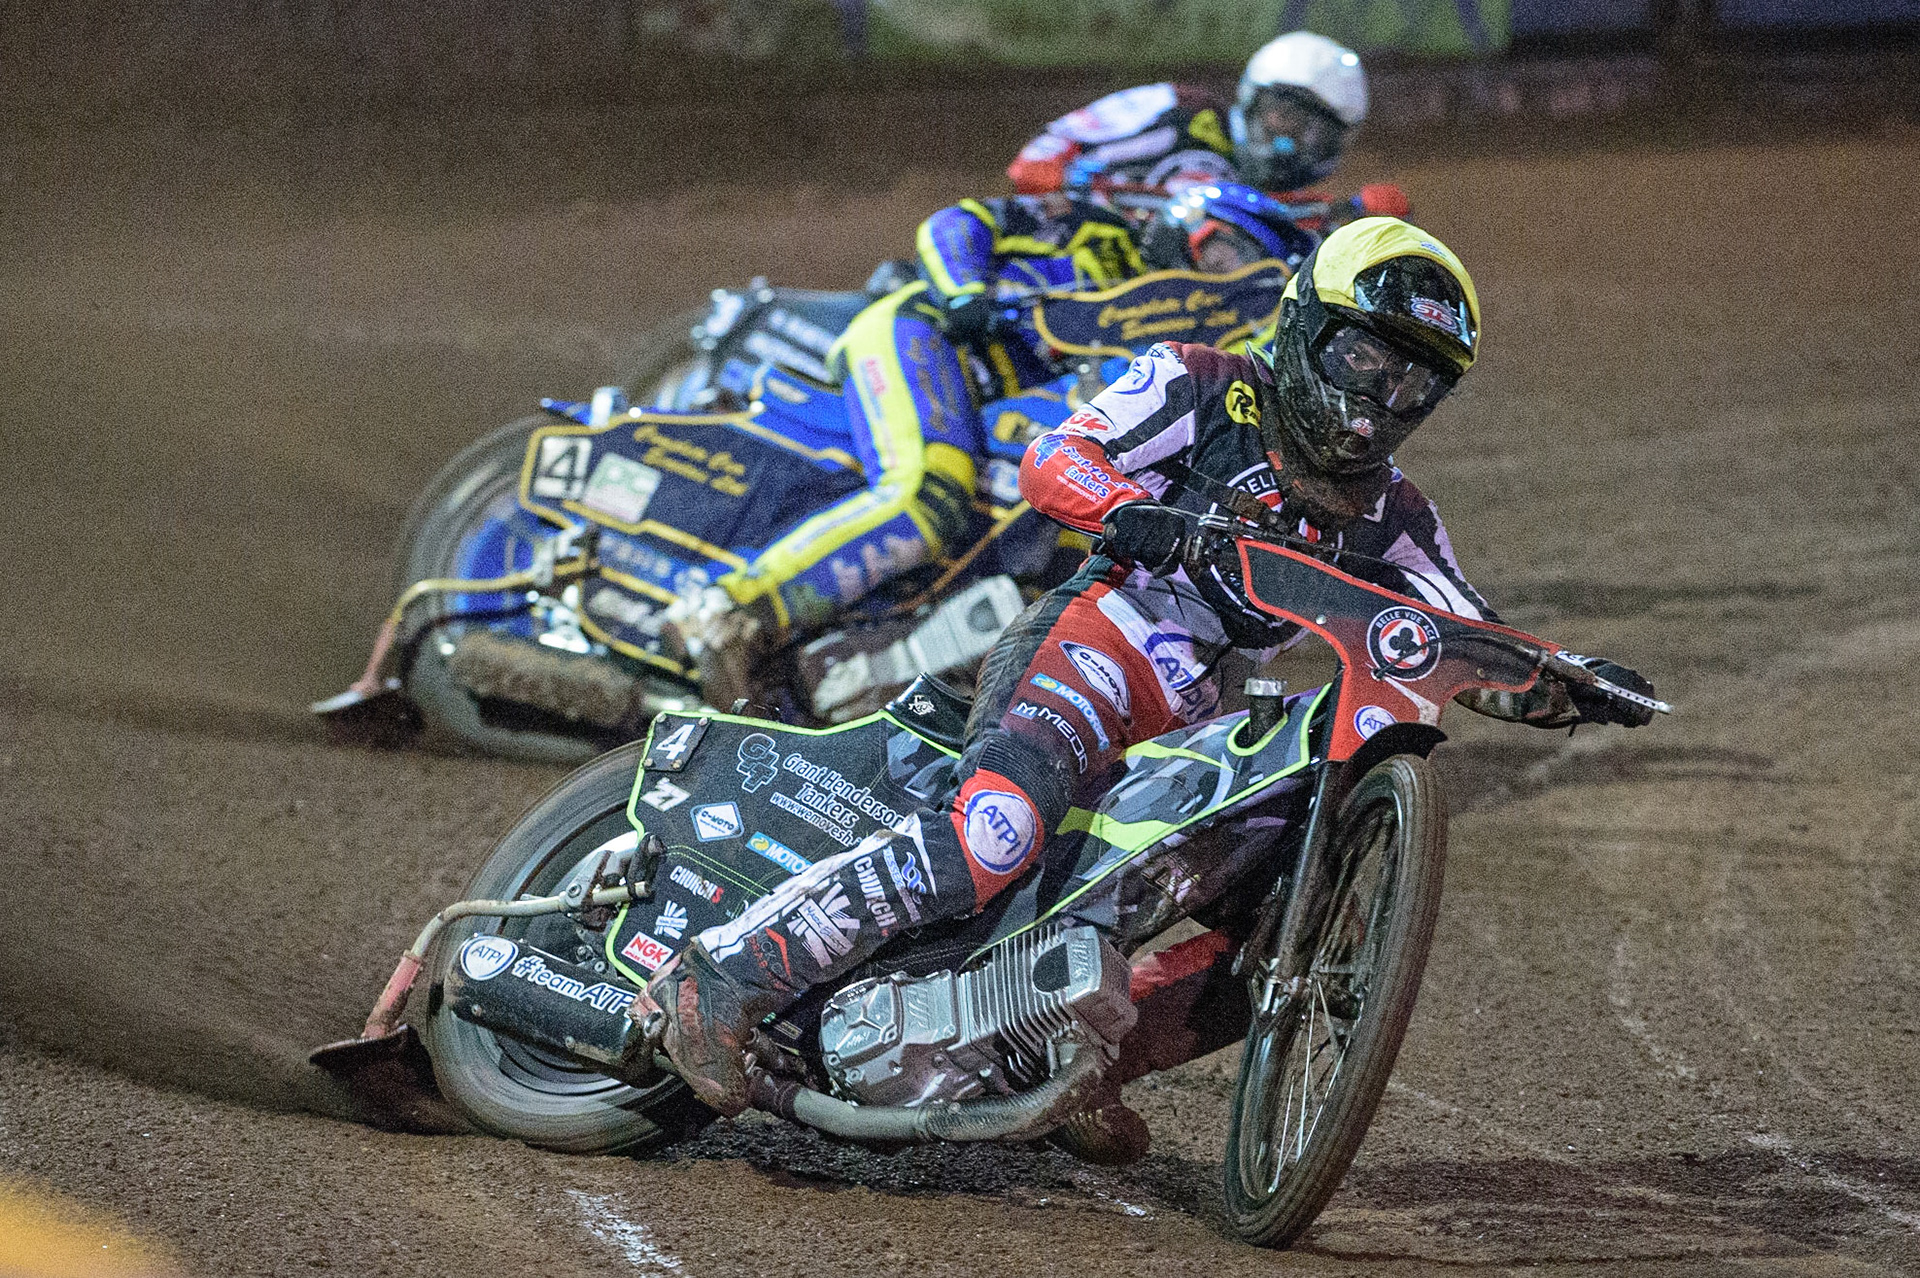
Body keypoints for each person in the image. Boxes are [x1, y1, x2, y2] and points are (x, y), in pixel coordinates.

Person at [640, 217, 1660, 1118]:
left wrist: (1564, 678)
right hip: (1095, 637)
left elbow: (1461, 630)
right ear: (1306, 325)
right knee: (995, 833)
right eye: (1362, 360)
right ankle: (725, 976)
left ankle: (1058, 1063)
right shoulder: (1203, 384)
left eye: (1411, 383)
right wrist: (1137, 515)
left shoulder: (1397, 515)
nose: (1376, 402)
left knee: (1240, 926)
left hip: (1196, 720)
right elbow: (1056, 462)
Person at [680, 183, 1316, 706]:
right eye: (1231, 258)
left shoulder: (1182, 346)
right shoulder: (1097, 228)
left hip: (988, 408)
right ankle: (731, 613)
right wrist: (964, 291)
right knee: (926, 499)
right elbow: (959, 220)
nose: (1229, 286)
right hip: (924, 336)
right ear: (1197, 225)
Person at [1008, 31, 1370, 206]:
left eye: (1317, 132)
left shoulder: (1291, 208)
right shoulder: (1179, 109)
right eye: (1287, 114)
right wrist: (1058, 171)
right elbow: (1038, 157)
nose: (1293, 139)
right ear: (1252, 98)